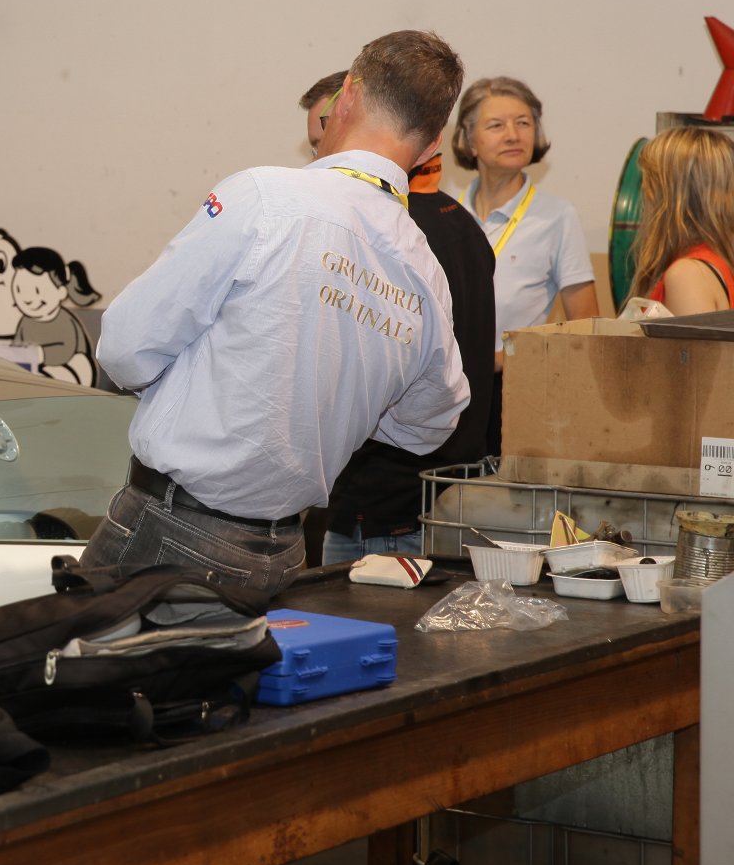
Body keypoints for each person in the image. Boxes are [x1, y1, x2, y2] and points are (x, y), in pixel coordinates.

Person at [82, 30, 470, 597]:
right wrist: (341, 405)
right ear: (433, 143)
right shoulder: (424, 272)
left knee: (76, 657)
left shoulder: (266, 198)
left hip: (174, 530)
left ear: (348, 95)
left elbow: (123, 346)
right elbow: (430, 424)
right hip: (284, 551)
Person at [302, 72, 498, 562]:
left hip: (382, 505)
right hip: (441, 494)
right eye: (313, 147)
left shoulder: (386, 233)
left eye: (324, 139)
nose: (320, 159)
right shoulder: (461, 224)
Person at [451, 77, 597, 453]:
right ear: (468, 140)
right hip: (444, 389)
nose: (513, 135)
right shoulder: (448, 214)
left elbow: (585, 328)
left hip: (516, 390)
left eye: (523, 123)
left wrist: (503, 359)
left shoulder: (557, 216)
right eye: (496, 125)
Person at [627, 127, 734, 315]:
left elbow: (696, 337)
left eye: (648, 184)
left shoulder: (688, 275)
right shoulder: (714, 263)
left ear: (666, 198)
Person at [9, 246, 101, 384]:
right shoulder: (25, 322)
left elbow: (65, 351)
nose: (27, 298)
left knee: (78, 364)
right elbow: (17, 348)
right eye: (19, 289)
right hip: (38, 371)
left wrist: (40, 355)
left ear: (61, 291)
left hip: (71, 369)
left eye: (37, 290)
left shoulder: (65, 321)